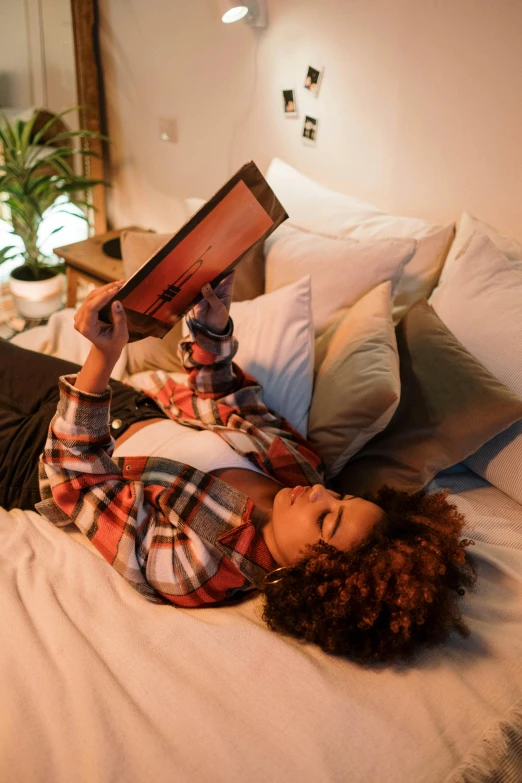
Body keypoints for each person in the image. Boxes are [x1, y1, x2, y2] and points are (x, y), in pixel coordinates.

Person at [1, 274, 476, 664]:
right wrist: (212, 327)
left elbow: (81, 483)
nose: (319, 494)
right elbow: (226, 399)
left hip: (36, 456)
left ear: (313, 576)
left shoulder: (201, 566)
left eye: (326, 519)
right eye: (343, 498)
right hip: (120, 403)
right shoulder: (302, 469)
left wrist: (102, 359)